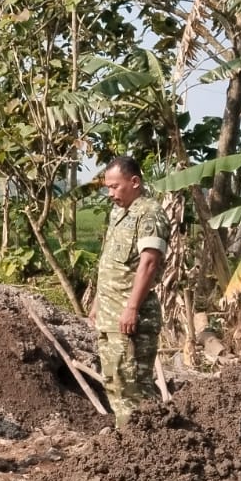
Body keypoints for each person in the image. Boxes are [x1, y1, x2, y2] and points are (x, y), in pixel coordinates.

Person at [93, 154, 168, 426]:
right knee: (116, 383)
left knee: (135, 387)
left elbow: (149, 263)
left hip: (132, 319)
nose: (111, 193)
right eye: (108, 188)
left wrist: (132, 308)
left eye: (115, 186)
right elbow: (111, 261)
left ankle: (152, 445)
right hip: (111, 315)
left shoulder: (149, 213)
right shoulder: (118, 213)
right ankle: (128, 444)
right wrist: (98, 302)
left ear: (134, 181)